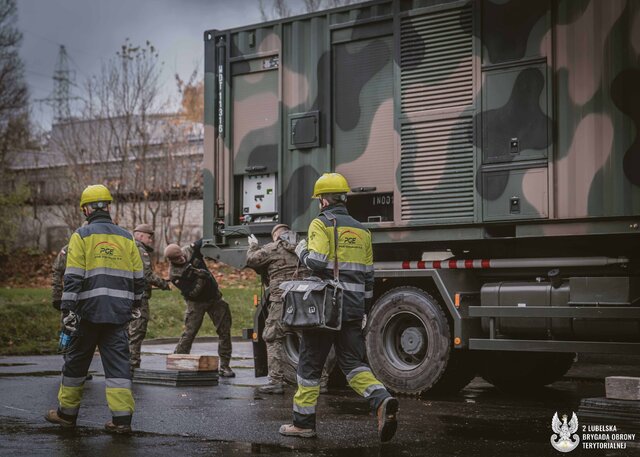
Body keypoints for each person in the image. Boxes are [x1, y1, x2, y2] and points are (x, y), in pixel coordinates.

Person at [279, 173, 399, 442]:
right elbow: (369, 276)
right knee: (353, 364)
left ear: (322, 199)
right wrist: (365, 309)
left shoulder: (320, 224)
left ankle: (303, 424)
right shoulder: (361, 230)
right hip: (355, 308)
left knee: (309, 366)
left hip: (326, 310)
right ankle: (381, 399)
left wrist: (301, 250)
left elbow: (318, 262)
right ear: (343, 197)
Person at [45, 184, 145, 434]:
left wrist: (68, 310)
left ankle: (66, 415)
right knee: (119, 367)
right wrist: (135, 304)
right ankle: (122, 421)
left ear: (86, 209)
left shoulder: (82, 235)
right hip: (118, 315)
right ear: (108, 207)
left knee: (76, 364)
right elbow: (139, 276)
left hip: (86, 314)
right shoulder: (126, 237)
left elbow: (73, 276)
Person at [246, 224, 334, 394]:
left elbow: (251, 261)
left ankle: (275, 381)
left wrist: (253, 246)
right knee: (309, 340)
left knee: (272, 337)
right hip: (304, 300)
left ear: (276, 236)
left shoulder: (272, 248)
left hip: (281, 299)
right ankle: (321, 381)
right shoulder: (305, 246)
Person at [164, 240, 235, 377]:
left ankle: (225, 366)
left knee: (224, 332)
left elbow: (205, 240)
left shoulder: (189, 250)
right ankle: (178, 361)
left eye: (181, 255)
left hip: (214, 298)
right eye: (178, 259)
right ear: (172, 260)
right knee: (189, 333)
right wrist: (201, 279)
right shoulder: (175, 274)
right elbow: (191, 293)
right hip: (196, 303)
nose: (182, 259)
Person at [129, 224, 171, 373]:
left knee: (127, 331)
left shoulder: (127, 247)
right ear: (139, 236)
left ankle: (124, 364)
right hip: (139, 298)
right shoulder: (140, 250)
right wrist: (163, 283)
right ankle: (132, 366)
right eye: (149, 237)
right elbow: (146, 275)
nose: (151, 241)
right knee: (137, 331)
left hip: (127, 296)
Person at [51, 243, 93, 381]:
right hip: (70, 297)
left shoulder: (93, 246)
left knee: (84, 335)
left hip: (88, 298)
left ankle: (79, 369)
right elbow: (57, 271)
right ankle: (68, 368)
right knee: (68, 331)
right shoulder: (69, 249)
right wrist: (57, 296)